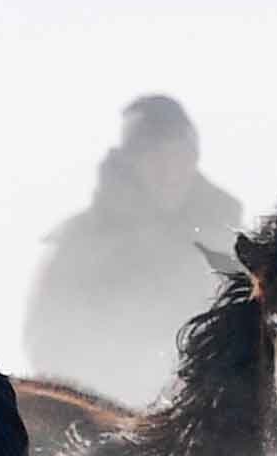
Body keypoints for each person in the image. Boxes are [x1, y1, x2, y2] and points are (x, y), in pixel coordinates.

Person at [22, 94, 242, 403]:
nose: (169, 170)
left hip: (210, 408)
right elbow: (47, 340)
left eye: (178, 156)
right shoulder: (79, 245)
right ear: (131, 163)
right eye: (154, 157)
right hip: (105, 417)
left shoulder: (226, 238)